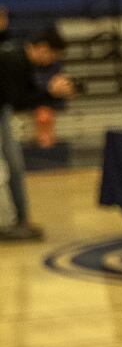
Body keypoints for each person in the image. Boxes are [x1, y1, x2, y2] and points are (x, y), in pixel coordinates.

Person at [0, 27, 75, 242]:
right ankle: (6, 223)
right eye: (53, 55)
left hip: (2, 110)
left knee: (14, 164)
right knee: (3, 169)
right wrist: (51, 93)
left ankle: (19, 218)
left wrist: (52, 94)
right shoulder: (12, 59)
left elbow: (26, 95)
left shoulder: (21, 60)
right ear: (42, 47)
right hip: (3, 109)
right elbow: (19, 101)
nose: (51, 62)